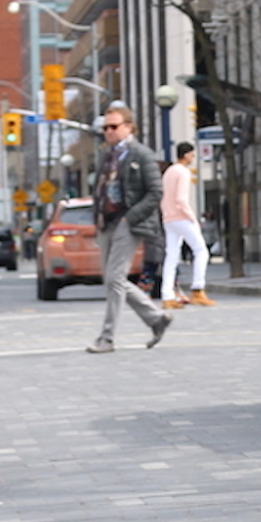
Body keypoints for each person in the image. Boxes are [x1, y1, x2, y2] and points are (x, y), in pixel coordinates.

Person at [89, 104, 171, 352]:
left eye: (114, 126)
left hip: (129, 222)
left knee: (115, 278)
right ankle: (156, 319)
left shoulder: (142, 155)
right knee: (113, 279)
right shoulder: (107, 155)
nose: (108, 132)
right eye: (105, 128)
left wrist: (130, 218)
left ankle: (107, 338)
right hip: (108, 221)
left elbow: (156, 191)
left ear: (129, 127)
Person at [159, 142, 213, 309]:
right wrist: (192, 217)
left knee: (171, 256)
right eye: (193, 154)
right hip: (181, 217)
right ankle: (198, 289)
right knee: (201, 251)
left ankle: (167, 295)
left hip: (168, 218)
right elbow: (181, 199)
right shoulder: (183, 172)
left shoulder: (169, 172)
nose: (193, 158)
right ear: (187, 154)